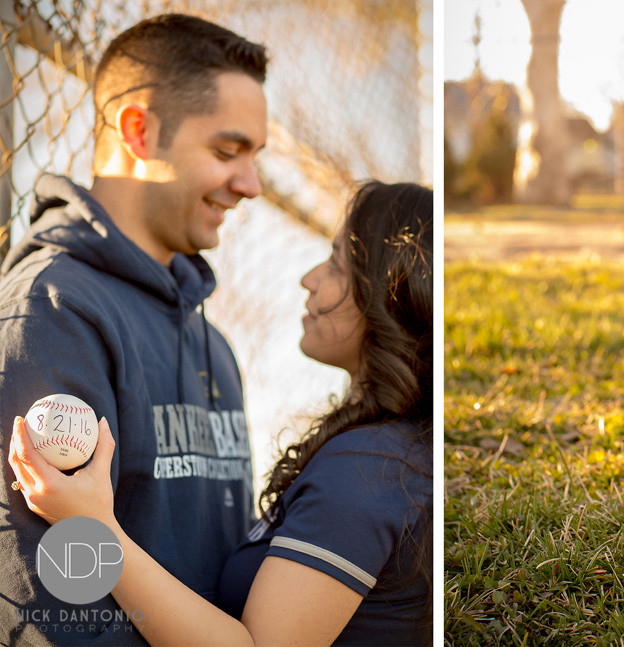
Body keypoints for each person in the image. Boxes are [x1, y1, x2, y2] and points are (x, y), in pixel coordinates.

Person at [9, 180, 434, 646]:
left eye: (336, 263)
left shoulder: (369, 469)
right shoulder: (382, 453)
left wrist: (95, 528)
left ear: (391, 294)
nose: (310, 278)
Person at [0, 14, 267, 645]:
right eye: (226, 152)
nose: (250, 185)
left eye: (255, 157)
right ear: (138, 131)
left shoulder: (213, 344)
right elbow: (55, 612)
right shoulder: (53, 312)